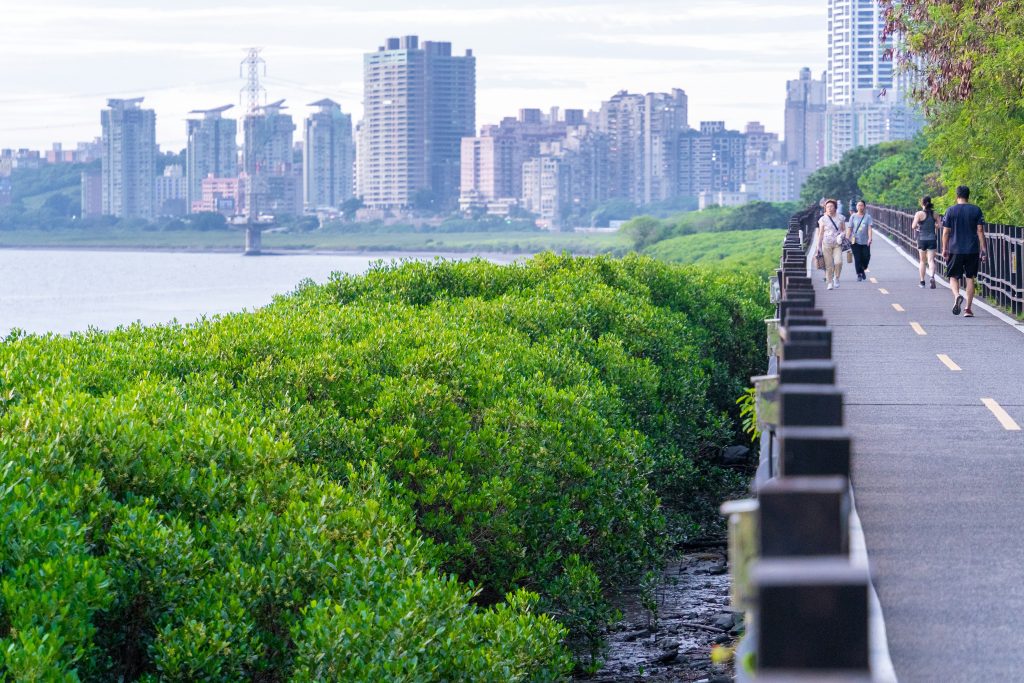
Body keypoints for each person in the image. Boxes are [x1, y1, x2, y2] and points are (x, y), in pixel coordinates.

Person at [941, 185, 987, 317]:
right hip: (972, 249)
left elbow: (945, 233)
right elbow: (980, 231)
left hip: (955, 249)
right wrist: (983, 249)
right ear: (968, 196)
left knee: (953, 277)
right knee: (970, 277)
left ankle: (956, 296)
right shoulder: (976, 210)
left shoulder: (950, 211)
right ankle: (968, 309)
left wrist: (945, 249)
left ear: (957, 196)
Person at [816, 198, 846, 290]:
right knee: (829, 265)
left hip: (837, 243)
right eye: (827, 207)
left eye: (831, 206)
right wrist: (818, 246)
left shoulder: (841, 217)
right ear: (825, 208)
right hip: (826, 244)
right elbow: (820, 233)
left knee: (838, 262)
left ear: (835, 207)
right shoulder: (822, 219)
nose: (829, 208)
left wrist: (842, 235)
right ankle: (829, 283)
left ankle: (836, 278)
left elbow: (844, 230)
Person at [912, 196, 940, 289]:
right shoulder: (935, 214)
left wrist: (919, 227)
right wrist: (933, 225)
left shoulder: (919, 214)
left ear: (922, 203)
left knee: (922, 261)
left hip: (922, 239)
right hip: (932, 239)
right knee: (931, 260)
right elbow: (939, 226)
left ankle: (922, 281)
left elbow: (913, 226)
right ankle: (932, 276)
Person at [847, 201, 873, 281]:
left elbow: (869, 228)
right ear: (856, 207)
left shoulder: (868, 217)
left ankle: (863, 268)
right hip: (855, 241)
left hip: (865, 241)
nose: (860, 207)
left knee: (866, 256)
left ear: (864, 207)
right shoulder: (853, 216)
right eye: (858, 205)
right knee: (857, 258)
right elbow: (850, 228)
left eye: (861, 205)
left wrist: (870, 238)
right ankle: (859, 274)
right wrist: (848, 237)